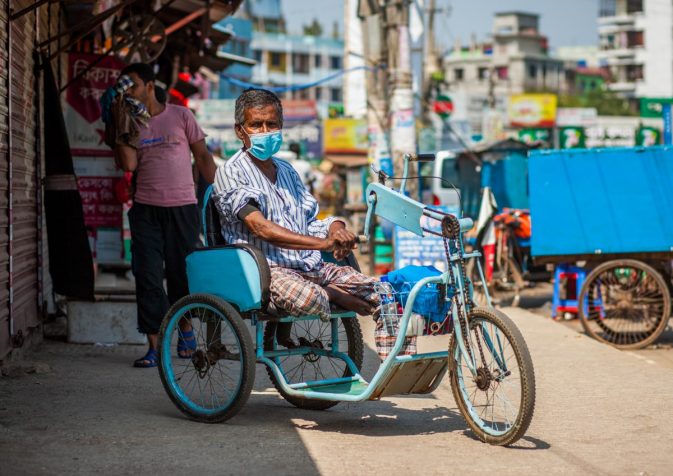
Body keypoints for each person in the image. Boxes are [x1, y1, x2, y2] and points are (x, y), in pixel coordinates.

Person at [213, 88, 378, 345]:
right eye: (256, 125)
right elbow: (260, 228)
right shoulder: (230, 171)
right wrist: (322, 244)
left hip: (310, 267)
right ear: (240, 131)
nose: (265, 131)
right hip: (268, 271)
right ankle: (331, 294)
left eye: (272, 124)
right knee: (310, 298)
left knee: (382, 292)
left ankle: (395, 362)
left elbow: (309, 220)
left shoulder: (288, 170)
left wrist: (335, 228)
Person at [111, 63, 217, 367]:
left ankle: (185, 331)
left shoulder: (180, 115)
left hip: (183, 208)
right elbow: (129, 165)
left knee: (180, 274)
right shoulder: (130, 120)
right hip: (145, 209)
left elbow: (203, 156)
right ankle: (155, 347)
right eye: (123, 87)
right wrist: (121, 124)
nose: (127, 91)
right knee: (147, 276)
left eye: (131, 85)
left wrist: (221, 193)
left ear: (149, 85)